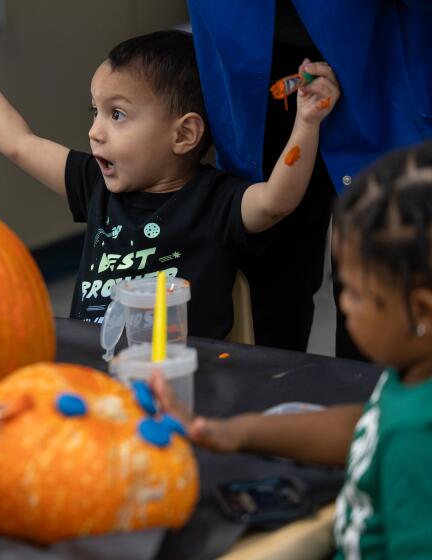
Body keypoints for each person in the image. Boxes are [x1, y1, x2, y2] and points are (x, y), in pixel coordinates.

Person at [0, 14, 339, 340]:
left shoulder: (216, 200)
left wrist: (307, 122)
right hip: (93, 376)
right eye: (96, 112)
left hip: (179, 388)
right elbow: (18, 143)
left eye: (117, 114)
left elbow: (276, 201)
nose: (95, 131)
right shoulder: (95, 185)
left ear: (184, 135)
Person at [151, 141, 432, 558]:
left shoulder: (417, 442)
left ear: (421, 309)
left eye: (356, 292)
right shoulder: (412, 374)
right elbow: (365, 431)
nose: (344, 304)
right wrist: (236, 433)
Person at [188, 0, 432, 356]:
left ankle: (377, 403)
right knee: (270, 286)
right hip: (259, 70)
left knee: (384, 272)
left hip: (382, 57)